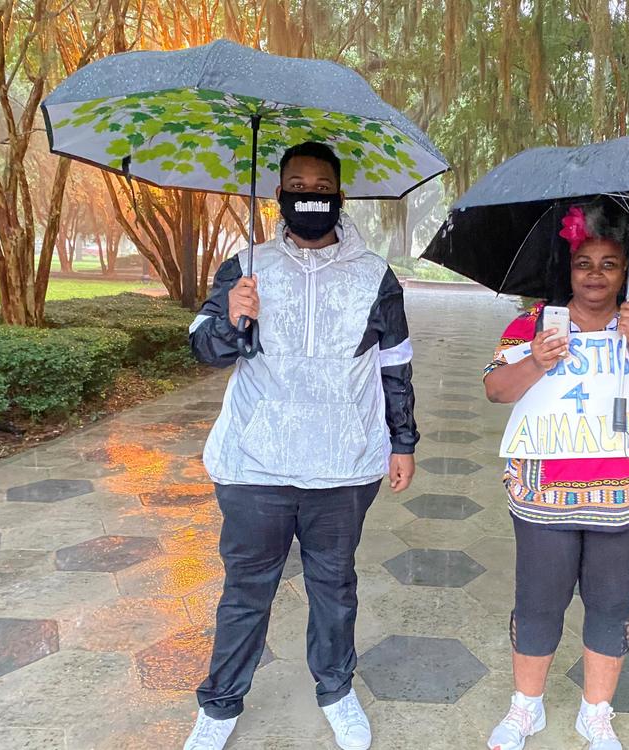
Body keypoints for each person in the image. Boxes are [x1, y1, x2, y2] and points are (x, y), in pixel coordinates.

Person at [183, 141, 418, 750]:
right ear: (280, 193)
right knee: (246, 589)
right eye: (295, 182)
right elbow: (203, 350)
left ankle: (336, 690)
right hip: (254, 463)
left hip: (343, 464)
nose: (307, 192)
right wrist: (230, 319)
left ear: (338, 196)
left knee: (334, 586)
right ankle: (220, 704)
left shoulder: (374, 275)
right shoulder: (245, 265)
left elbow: (395, 363)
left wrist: (403, 440)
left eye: (320, 183)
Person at [483, 204, 629, 750]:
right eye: (583, 263)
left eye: (609, 263)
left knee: (610, 603)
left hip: (625, 495)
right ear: (568, 268)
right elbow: (496, 390)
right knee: (538, 602)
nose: (595, 275)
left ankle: (595, 713)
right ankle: (526, 708)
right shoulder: (534, 323)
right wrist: (535, 359)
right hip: (543, 493)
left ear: (625, 271)